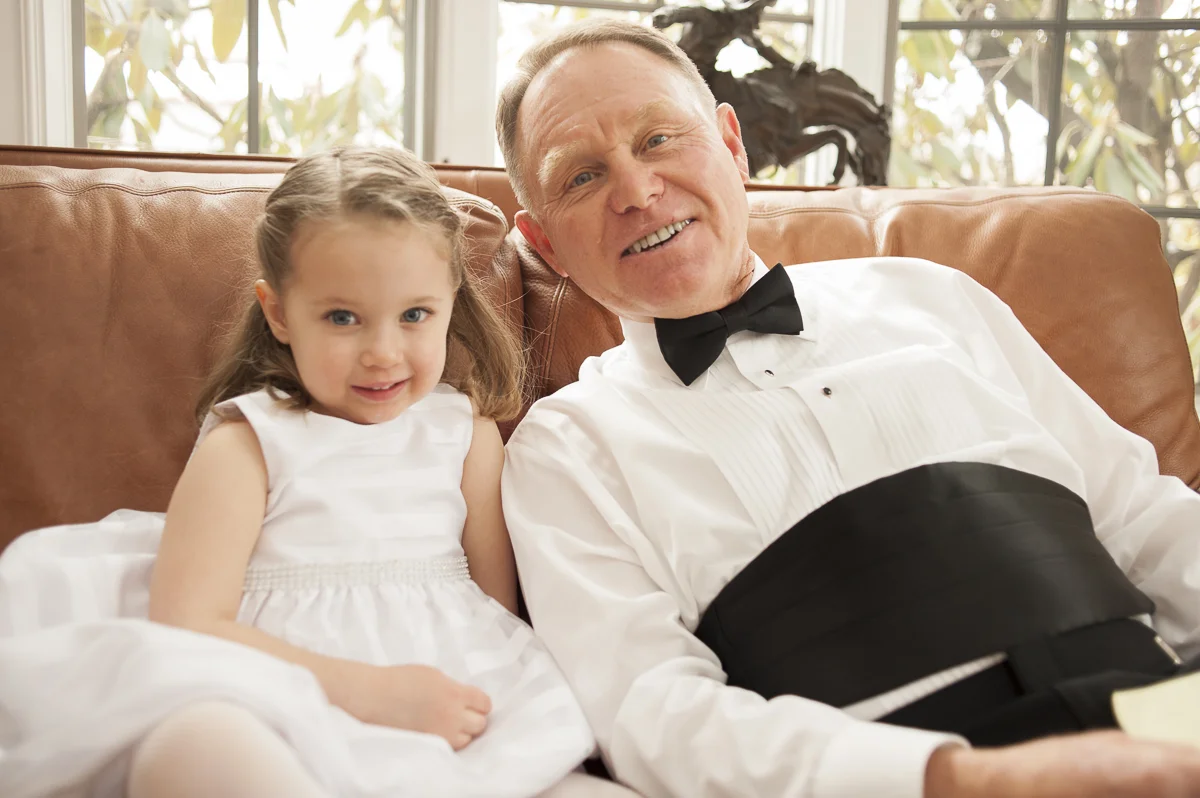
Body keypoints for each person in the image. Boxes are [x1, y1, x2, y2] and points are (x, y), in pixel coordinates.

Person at [496, 19, 1200, 798]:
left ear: (732, 144)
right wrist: (964, 778)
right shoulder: (563, 451)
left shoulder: (932, 295)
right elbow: (654, 715)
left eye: (660, 138)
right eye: (582, 177)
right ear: (546, 245)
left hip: (1168, 721)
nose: (636, 190)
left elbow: (1143, 517)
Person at [0, 147, 618, 798]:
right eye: (342, 318)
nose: (382, 353)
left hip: (451, 712)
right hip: (278, 706)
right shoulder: (251, 442)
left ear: (450, 302)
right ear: (279, 314)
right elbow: (186, 626)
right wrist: (372, 693)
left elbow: (499, 612)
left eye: (414, 315)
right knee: (193, 749)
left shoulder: (465, 435)